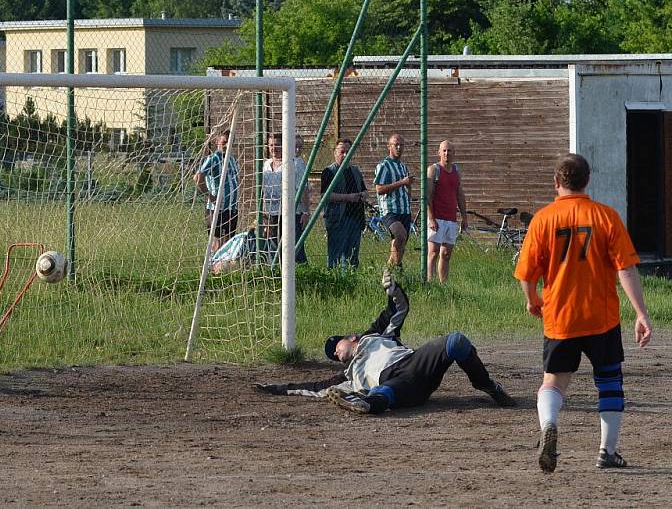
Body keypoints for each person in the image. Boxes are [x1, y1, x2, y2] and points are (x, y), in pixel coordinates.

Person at [514, 153, 652, 474]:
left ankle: (548, 424)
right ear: (587, 181)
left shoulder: (543, 220)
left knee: (554, 381)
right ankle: (607, 451)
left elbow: (526, 275)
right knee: (609, 380)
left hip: (560, 315)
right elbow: (626, 269)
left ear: (556, 183)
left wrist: (533, 300)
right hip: (600, 315)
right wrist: (641, 313)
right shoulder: (606, 216)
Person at [255, 269, 516, 413]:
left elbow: (398, 308)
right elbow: (311, 387)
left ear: (352, 338)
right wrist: (274, 388)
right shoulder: (345, 376)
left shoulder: (375, 336)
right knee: (381, 392)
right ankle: (366, 405)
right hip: (399, 387)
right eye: (332, 355)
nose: (335, 353)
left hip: (414, 364)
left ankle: (490, 387)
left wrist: (393, 290)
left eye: (336, 346)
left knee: (457, 342)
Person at [425, 140, 468, 283]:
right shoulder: (434, 169)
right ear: (439, 153)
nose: (446, 153)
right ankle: (429, 283)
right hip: (437, 217)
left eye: (449, 151)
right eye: (444, 150)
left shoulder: (456, 171)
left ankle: (444, 285)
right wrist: (431, 218)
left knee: (446, 253)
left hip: (451, 218)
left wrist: (464, 216)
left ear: (454, 153)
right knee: (433, 252)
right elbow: (428, 195)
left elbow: (459, 194)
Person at [321, 139, 367, 269]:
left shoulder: (356, 171)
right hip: (338, 219)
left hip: (356, 219)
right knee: (335, 256)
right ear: (335, 153)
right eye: (342, 152)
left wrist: (363, 195)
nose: (345, 155)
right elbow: (325, 196)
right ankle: (334, 282)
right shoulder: (329, 171)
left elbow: (364, 189)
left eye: (348, 151)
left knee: (352, 256)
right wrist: (348, 197)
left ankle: (351, 282)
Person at [193, 131, 239, 253]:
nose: (226, 145)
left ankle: (223, 268)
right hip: (216, 208)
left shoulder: (233, 160)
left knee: (229, 242)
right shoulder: (213, 159)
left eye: (230, 142)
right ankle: (212, 267)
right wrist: (210, 196)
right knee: (216, 243)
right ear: (217, 143)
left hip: (232, 208)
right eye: (224, 142)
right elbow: (198, 177)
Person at [373, 134, 414, 270]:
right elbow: (379, 189)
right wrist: (402, 182)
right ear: (389, 146)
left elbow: (406, 187)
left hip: (404, 209)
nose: (399, 147)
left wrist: (408, 190)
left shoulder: (403, 166)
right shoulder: (384, 165)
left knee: (399, 244)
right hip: (390, 209)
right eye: (396, 144)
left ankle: (390, 270)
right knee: (400, 236)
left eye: (401, 145)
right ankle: (398, 267)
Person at [261, 133, 284, 262]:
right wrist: (264, 213)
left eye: (277, 145)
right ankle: (273, 270)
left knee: (285, 245)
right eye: (271, 145)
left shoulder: (289, 164)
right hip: (269, 212)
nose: (274, 148)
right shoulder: (266, 165)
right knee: (271, 243)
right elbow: (263, 190)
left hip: (284, 212)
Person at [294, 135, 311, 264]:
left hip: (297, 211)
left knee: (297, 242)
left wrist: (305, 211)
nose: (298, 150)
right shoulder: (290, 162)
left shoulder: (300, 163)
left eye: (300, 147)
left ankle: (302, 268)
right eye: (295, 146)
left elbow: (304, 189)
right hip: (281, 211)